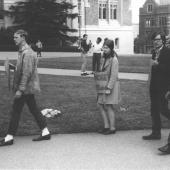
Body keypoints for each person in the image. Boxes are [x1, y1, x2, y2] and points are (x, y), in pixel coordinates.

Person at [0, 29, 51, 147]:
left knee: (16, 111)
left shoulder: (27, 53)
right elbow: (23, 69)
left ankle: (9, 137)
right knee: (33, 109)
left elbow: (27, 73)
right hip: (28, 88)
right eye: (14, 37)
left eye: (16, 37)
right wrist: (13, 67)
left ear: (23, 37)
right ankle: (45, 131)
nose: (14, 39)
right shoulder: (23, 51)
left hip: (25, 88)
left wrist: (20, 89)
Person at [142, 32, 170, 144]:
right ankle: (156, 133)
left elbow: (168, 70)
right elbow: (152, 70)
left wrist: (157, 64)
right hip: (154, 86)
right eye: (154, 39)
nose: (156, 41)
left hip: (163, 87)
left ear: (162, 40)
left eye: (158, 39)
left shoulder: (167, 52)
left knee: (163, 109)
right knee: (154, 110)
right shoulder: (154, 52)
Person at [96, 39, 121, 135]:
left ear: (111, 48)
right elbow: (101, 70)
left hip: (110, 86)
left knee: (109, 106)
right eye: (104, 47)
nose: (104, 49)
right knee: (100, 105)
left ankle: (112, 128)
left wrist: (109, 88)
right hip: (102, 84)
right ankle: (106, 126)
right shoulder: (103, 57)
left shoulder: (114, 59)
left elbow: (114, 75)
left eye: (106, 47)